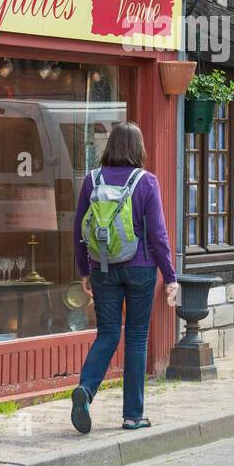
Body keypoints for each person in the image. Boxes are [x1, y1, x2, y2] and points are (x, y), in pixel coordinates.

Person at [70, 121, 178, 433]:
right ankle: (133, 416)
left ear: (110, 146)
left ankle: (86, 390)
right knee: (136, 337)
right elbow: (158, 236)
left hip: (102, 267)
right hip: (141, 268)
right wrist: (170, 276)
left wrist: (84, 271)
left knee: (106, 334)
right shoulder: (146, 181)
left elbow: (79, 230)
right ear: (138, 148)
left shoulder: (92, 180)